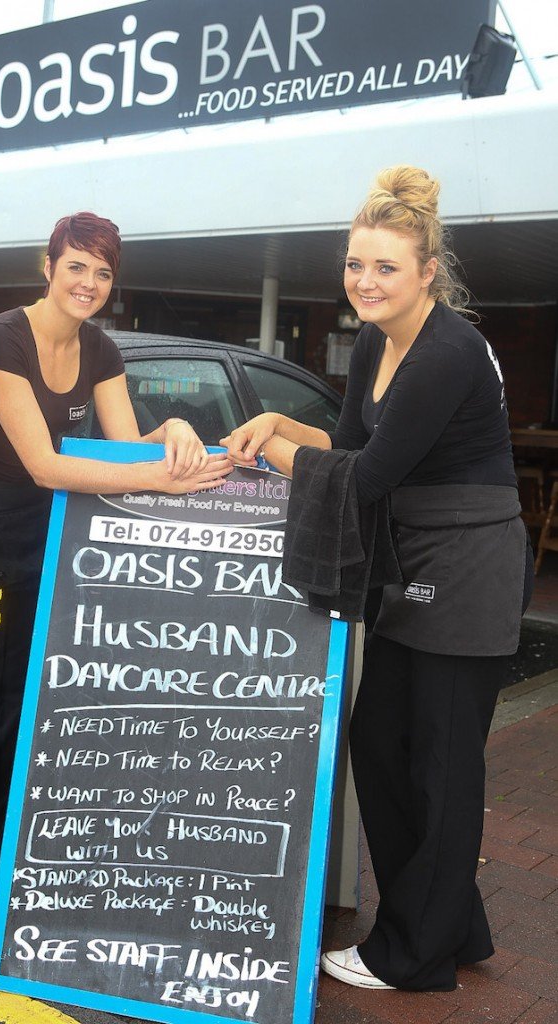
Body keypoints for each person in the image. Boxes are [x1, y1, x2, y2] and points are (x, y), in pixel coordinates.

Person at [221, 166, 530, 992]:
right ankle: (453, 927)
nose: (365, 282)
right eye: (356, 265)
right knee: (383, 744)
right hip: (409, 565)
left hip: (466, 570)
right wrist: (280, 421)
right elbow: (351, 443)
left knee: (439, 761)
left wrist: (273, 451)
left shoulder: (446, 352)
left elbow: (361, 482)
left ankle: (414, 956)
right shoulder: (372, 341)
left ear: (427, 271)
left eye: (385, 267)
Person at [0, 211, 231, 919]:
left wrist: (173, 430)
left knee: (14, 711)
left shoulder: (101, 350)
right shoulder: (1, 340)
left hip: (48, 547)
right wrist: (155, 478)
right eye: (76, 266)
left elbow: (125, 445)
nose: (88, 283)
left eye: (103, 272)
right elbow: (46, 464)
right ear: (46, 266)